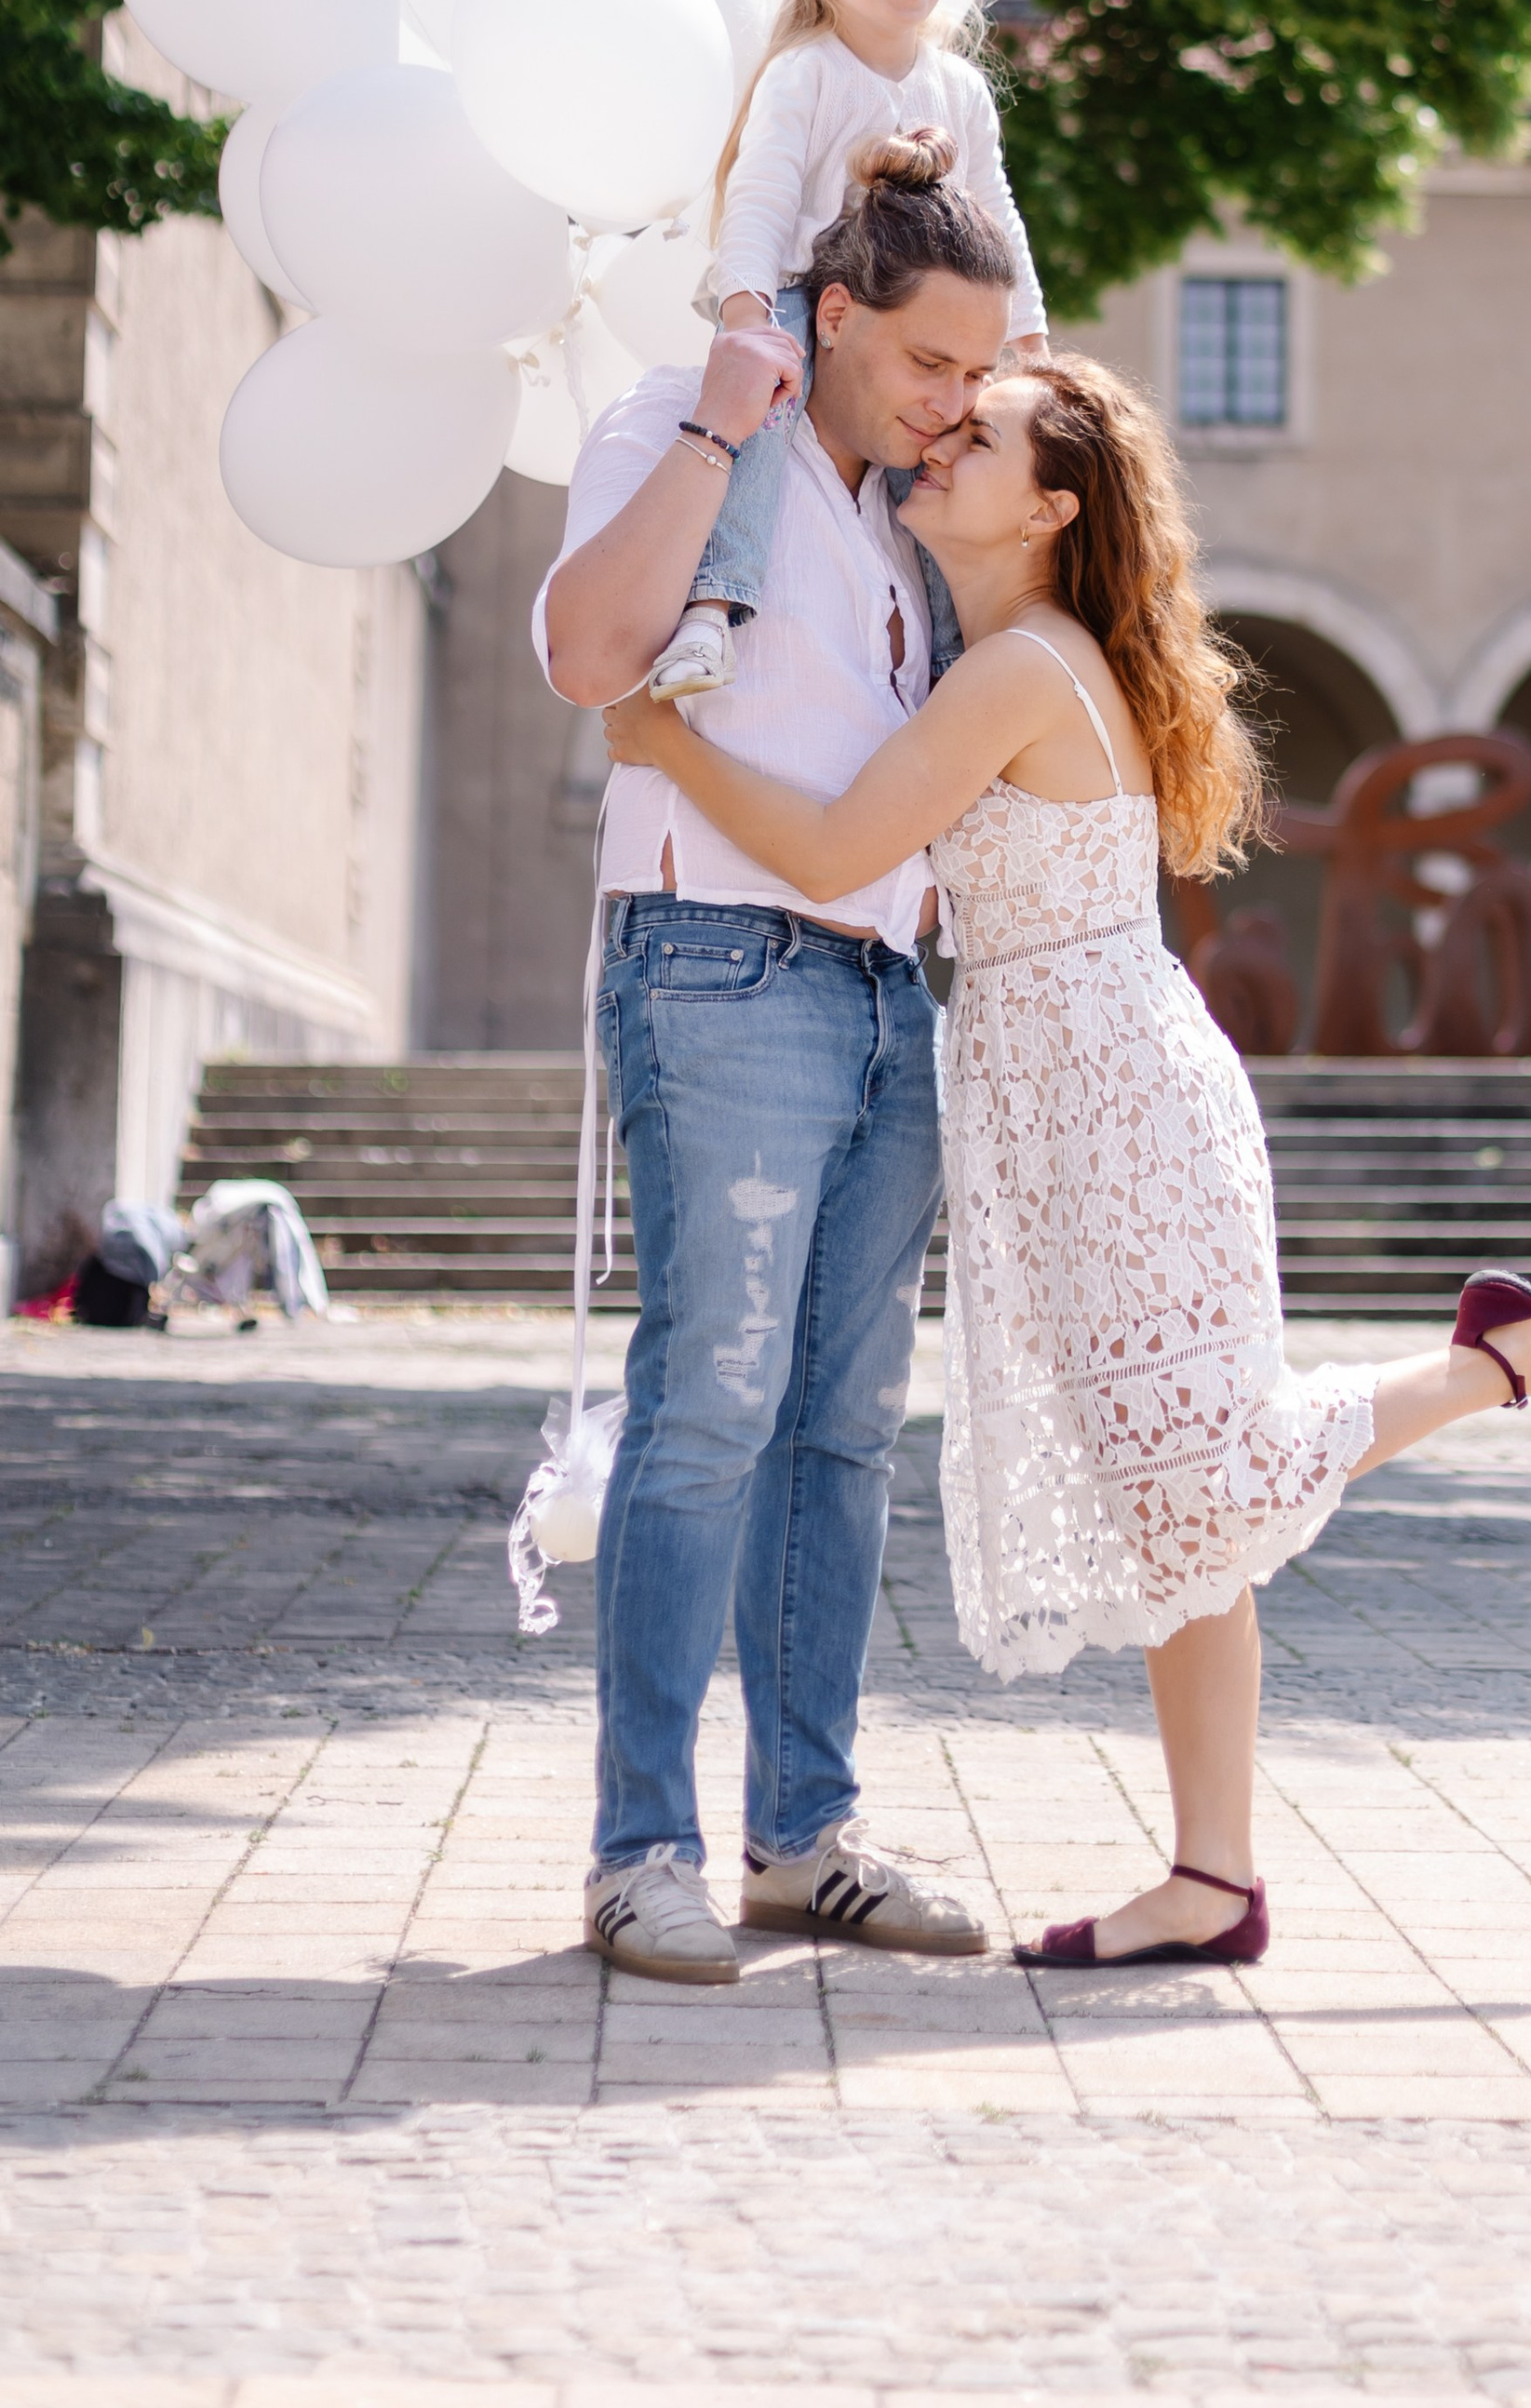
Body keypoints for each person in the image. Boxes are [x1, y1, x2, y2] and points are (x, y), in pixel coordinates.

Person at [604, 352, 1531, 1971]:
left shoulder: (1023, 670)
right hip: (1096, 1100)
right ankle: (1214, 1879)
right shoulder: (1012, 652)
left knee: (1203, 1478)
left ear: (1048, 507)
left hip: (1115, 1112)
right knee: (1181, 1505)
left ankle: (1494, 1366)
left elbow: (839, 848)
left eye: (980, 437)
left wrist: (658, 742)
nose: (941, 438)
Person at [541, 132, 1017, 1987]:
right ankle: (637, 1851)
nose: (952, 402)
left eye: (975, 371)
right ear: (830, 314)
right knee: (712, 1406)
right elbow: (592, 657)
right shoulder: (683, 421)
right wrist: (716, 432)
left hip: (893, 986)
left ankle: (800, 1836)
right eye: (924, 365)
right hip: (721, 968)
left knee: (837, 1433)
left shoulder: (903, 521)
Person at [647, 0, 1049, 703]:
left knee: (945, 460)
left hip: (921, 315)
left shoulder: (960, 89)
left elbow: (996, 212)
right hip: (806, 293)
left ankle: (952, 654)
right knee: (760, 425)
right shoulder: (806, 75)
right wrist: (748, 312)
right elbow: (760, 195)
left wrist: (1028, 330)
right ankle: (714, 605)